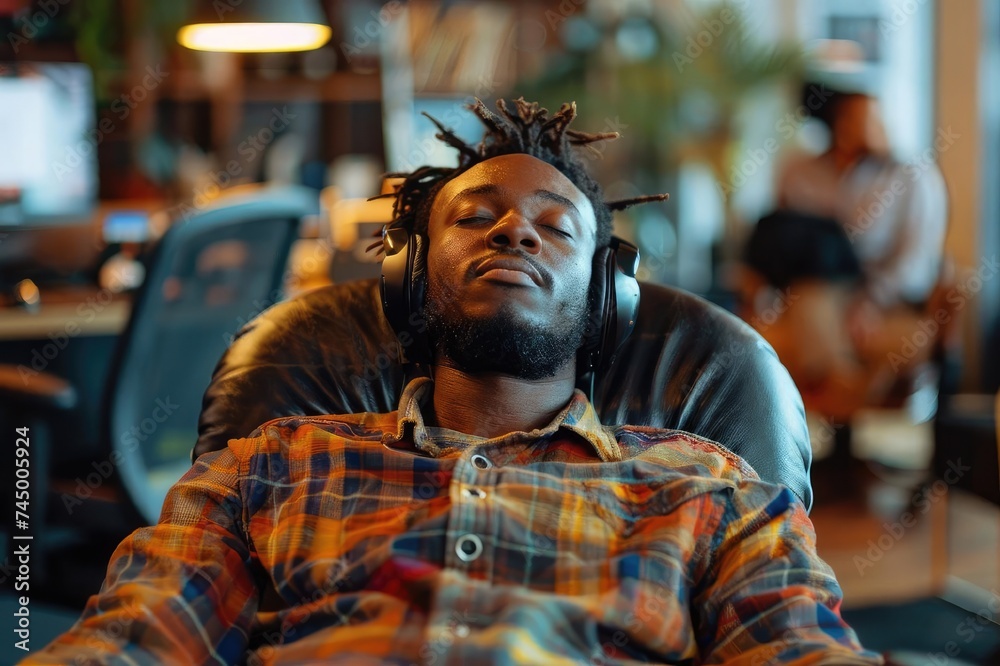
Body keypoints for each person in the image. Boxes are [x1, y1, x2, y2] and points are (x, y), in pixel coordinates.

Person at [27, 99, 882, 664]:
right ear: (411, 277)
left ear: (607, 295)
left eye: (556, 228)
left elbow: (796, 644)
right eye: (475, 219)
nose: (515, 231)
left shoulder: (707, 491)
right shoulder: (267, 471)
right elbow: (134, 639)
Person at [744, 85, 950, 421]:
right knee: (809, 297)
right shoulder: (800, 171)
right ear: (837, 122)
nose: (869, 125)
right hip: (813, 291)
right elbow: (778, 242)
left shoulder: (913, 177)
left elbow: (915, 261)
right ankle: (846, 391)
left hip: (889, 298)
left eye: (874, 116)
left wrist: (871, 300)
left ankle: (834, 401)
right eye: (856, 117)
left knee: (811, 302)